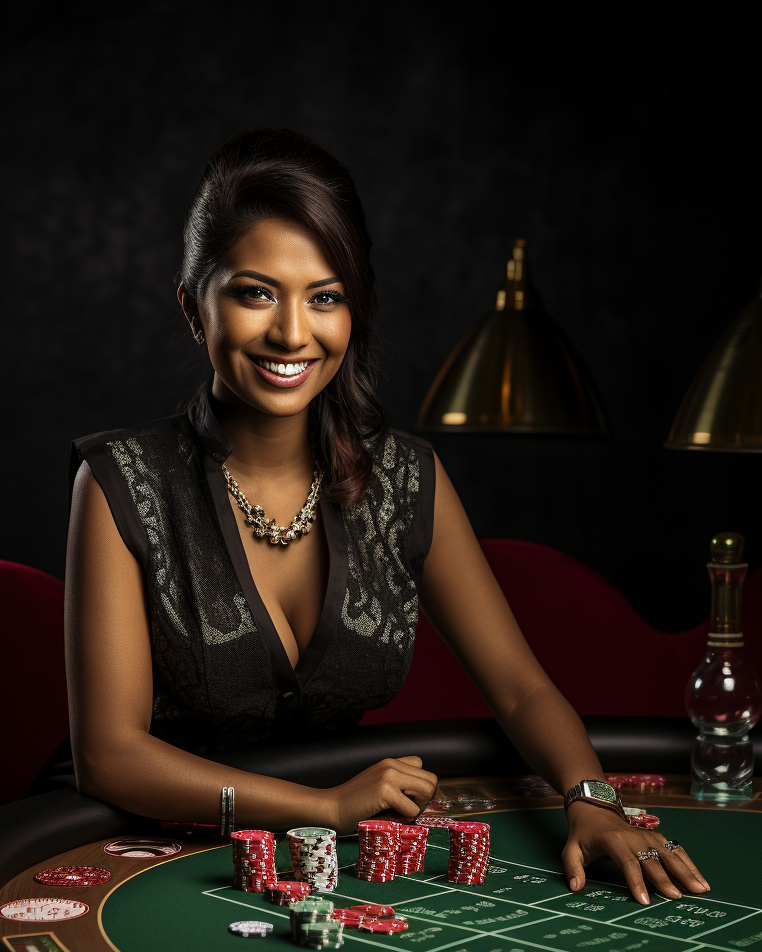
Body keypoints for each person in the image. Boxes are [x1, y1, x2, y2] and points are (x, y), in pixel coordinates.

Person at [64, 128, 709, 905]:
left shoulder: (406, 479)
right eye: (255, 291)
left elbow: (520, 689)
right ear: (193, 306)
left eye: (326, 297)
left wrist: (593, 800)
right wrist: (324, 807)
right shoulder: (120, 484)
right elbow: (111, 756)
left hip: (305, 861)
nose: (293, 333)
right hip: (121, 847)